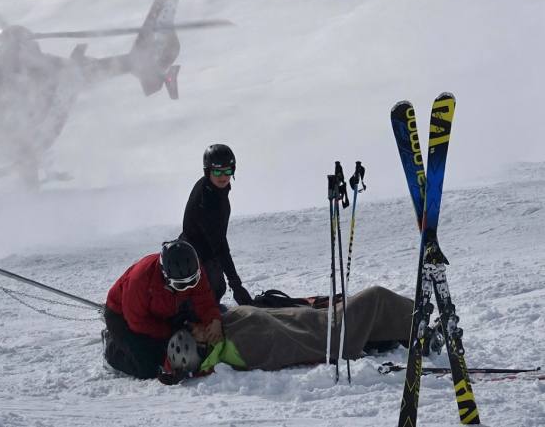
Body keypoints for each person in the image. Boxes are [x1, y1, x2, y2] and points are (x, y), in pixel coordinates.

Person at [160, 285, 418, 382]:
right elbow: (289, 344)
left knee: (363, 308)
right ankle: (421, 322)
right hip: (325, 333)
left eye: (192, 326)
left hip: (312, 318)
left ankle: (411, 328)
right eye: (195, 332)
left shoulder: (223, 333)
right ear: (203, 347)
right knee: (375, 297)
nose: (198, 326)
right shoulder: (242, 347)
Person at [103, 239, 223, 379]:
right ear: (165, 276)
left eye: (193, 281)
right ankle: (112, 348)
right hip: (123, 315)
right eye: (180, 285)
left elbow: (204, 300)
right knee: (148, 367)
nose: (189, 287)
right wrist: (172, 333)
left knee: (192, 342)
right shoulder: (140, 279)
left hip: (166, 309)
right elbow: (137, 322)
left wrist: (214, 320)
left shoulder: (192, 268)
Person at [179, 144, 252, 306]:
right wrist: (236, 284)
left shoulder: (214, 189)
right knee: (211, 290)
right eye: (218, 171)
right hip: (195, 256)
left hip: (203, 250)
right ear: (208, 171)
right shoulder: (207, 199)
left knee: (217, 288)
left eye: (228, 171)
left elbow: (218, 238)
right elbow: (219, 243)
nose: (223, 176)